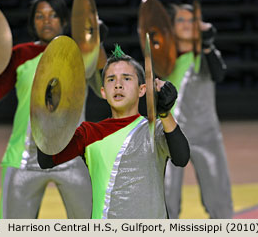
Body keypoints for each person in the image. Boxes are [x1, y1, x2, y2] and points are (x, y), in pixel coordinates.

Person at [0, 0, 103, 219]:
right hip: (24, 157)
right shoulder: (20, 55)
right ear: (32, 22)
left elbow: (105, 89)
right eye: (40, 16)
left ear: (65, 21)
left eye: (53, 15)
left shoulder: (81, 52)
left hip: (73, 155)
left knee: (91, 226)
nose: (46, 21)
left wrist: (97, 43)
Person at [38, 45, 190, 219]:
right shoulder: (89, 133)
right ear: (103, 92)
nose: (118, 85)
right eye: (111, 80)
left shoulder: (154, 128)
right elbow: (46, 160)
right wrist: (49, 113)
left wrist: (165, 113)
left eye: (126, 78)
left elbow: (182, 157)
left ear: (142, 89)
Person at [163, 3, 234, 218]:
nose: (186, 25)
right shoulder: (163, 58)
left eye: (192, 20)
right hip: (169, 133)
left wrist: (208, 45)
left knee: (218, 196)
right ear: (171, 26)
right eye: (180, 20)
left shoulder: (205, 55)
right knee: (165, 197)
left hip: (206, 135)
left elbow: (218, 73)